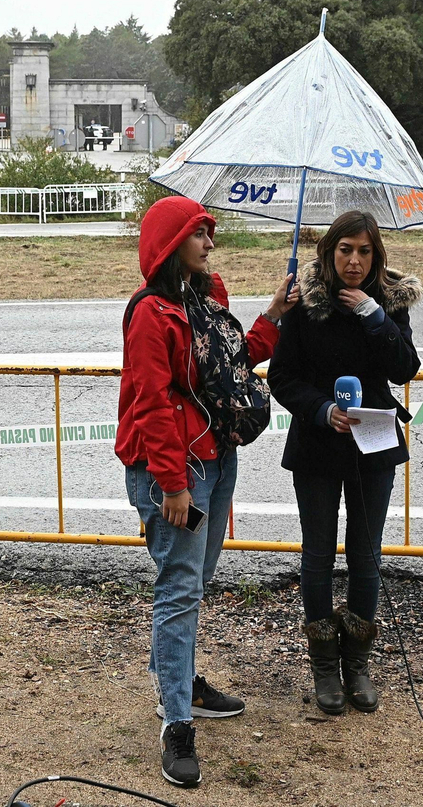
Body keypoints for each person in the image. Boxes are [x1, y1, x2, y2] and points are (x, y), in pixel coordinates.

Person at [114, 195, 298, 789]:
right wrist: (170, 484)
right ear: (172, 244)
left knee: (195, 582)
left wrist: (271, 315)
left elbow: (231, 364)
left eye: (210, 233)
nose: (210, 243)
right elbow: (151, 402)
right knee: (179, 588)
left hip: (217, 462)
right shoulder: (150, 313)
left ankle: (180, 677)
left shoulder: (208, 298)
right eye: (200, 233)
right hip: (175, 472)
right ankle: (176, 722)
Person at [267, 211, 422, 716]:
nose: (354, 261)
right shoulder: (303, 303)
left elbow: (406, 367)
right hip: (317, 444)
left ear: (376, 255)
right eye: (344, 250)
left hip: (374, 445)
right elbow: (282, 377)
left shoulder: (388, 303)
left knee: (364, 554)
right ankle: (323, 665)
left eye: (364, 251)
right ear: (328, 253)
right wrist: (319, 409)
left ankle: (358, 662)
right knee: (317, 555)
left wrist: (373, 316)